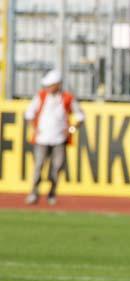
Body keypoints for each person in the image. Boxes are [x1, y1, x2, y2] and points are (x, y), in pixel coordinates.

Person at [24, 69, 85, 206]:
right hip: (41, 139)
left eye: (50, 85)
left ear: (58, 84)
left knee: (57, 167)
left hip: (59, 140)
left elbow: (80, 117)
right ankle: (34, 192)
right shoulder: (40, 96)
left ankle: (52, 193)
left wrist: (70, 130)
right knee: (39, 166)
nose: (48, 88)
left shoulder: (68, 98)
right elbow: (29, 115)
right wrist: (35, 128)